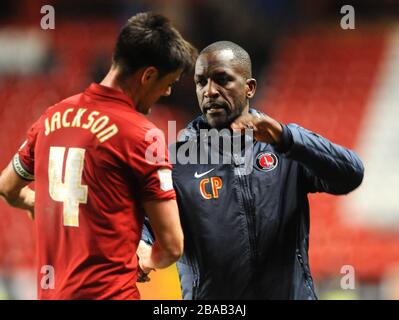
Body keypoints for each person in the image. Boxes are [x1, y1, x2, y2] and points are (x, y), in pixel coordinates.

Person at [140, 41, 364, 299]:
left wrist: (287, 138)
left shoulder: (286, 146)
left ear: (249, 88)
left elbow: (350, 175)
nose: (210, 91)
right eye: (201, 82)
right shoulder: (174, 160)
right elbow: (144, 220)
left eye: (222, 80)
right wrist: (142, 244)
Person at [0, 12, 197, 300]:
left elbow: (6, 188)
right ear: (148, 76)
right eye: (168, 82)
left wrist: (35, 201)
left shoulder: (51, 118)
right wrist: (146, 258)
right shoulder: (143, 135)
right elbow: (171, 246)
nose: (167, 92)